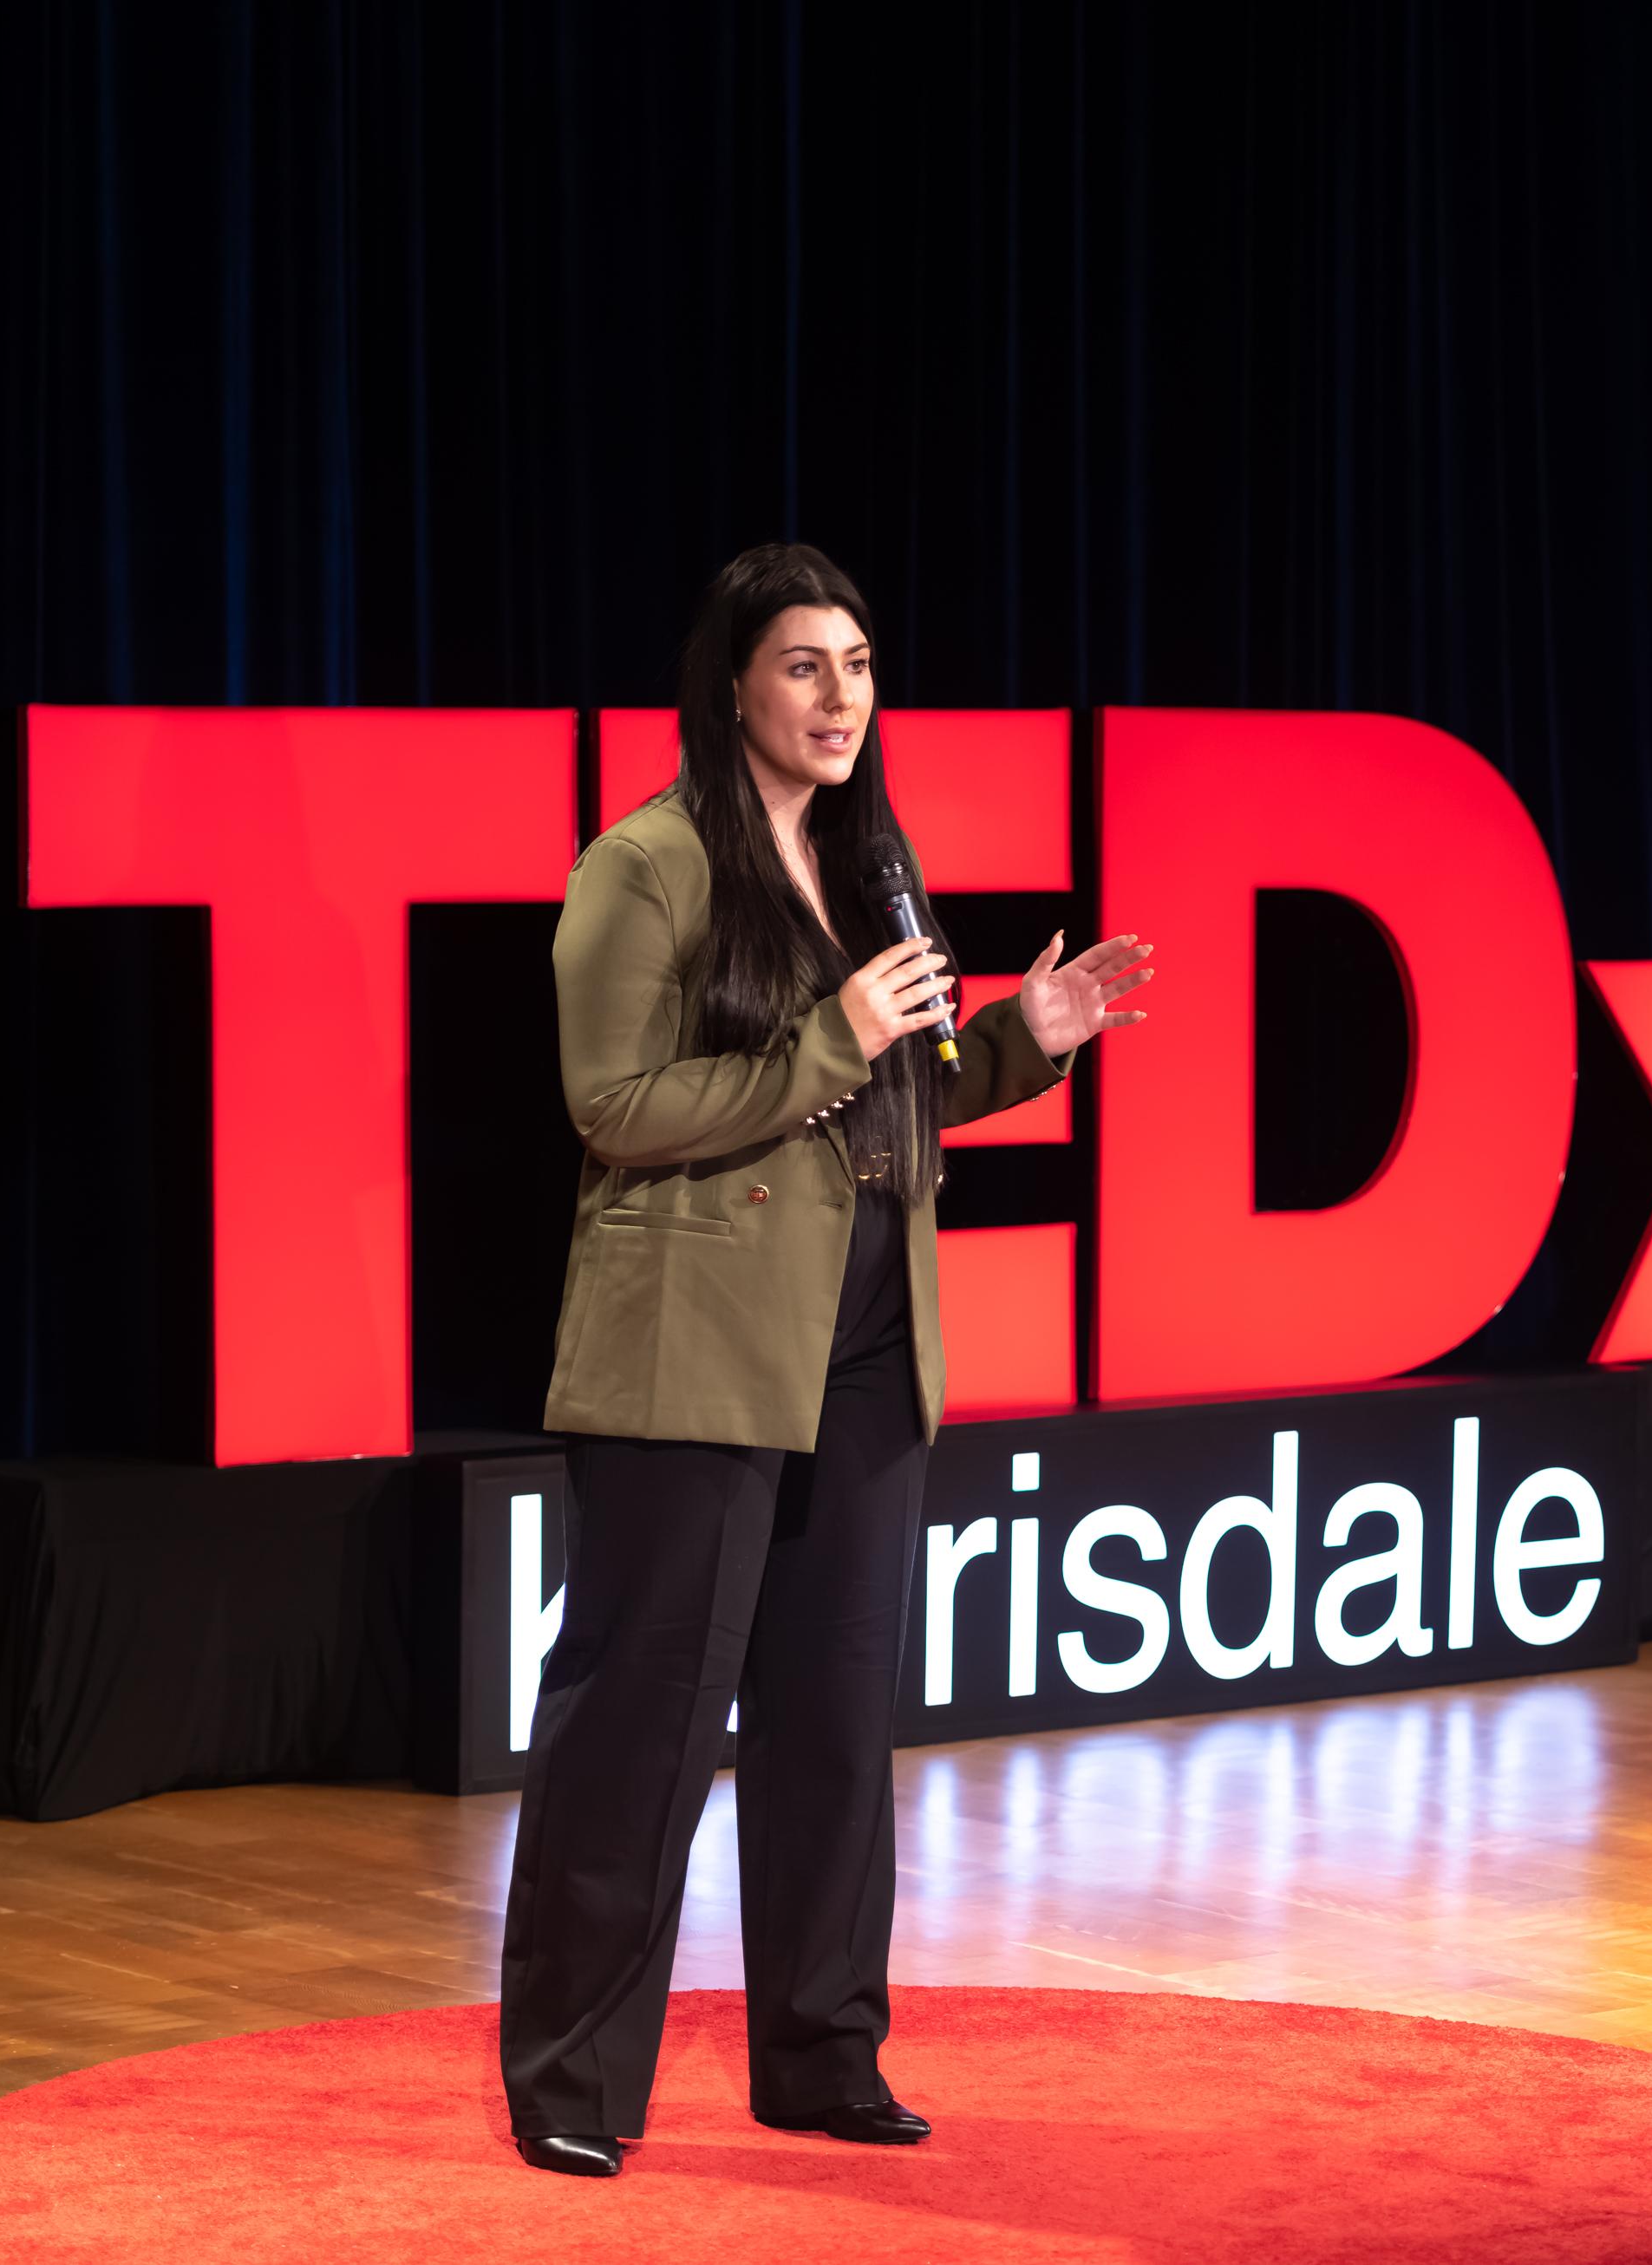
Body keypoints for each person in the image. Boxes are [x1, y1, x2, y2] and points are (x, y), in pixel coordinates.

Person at [500, 543, 1153, 2177]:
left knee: (833, 1715)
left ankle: (821, 2054)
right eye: (803, 665)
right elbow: (612, 1107)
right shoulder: (643, 866)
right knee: (643, 1720)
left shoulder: (872, 862)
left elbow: (899, 1088)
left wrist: (1020, 1044)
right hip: (695, 1347)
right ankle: (571, 2085)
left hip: (865, 1341)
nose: (839, 696)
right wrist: (827, 1039)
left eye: (856, 665)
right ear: (731, 685)